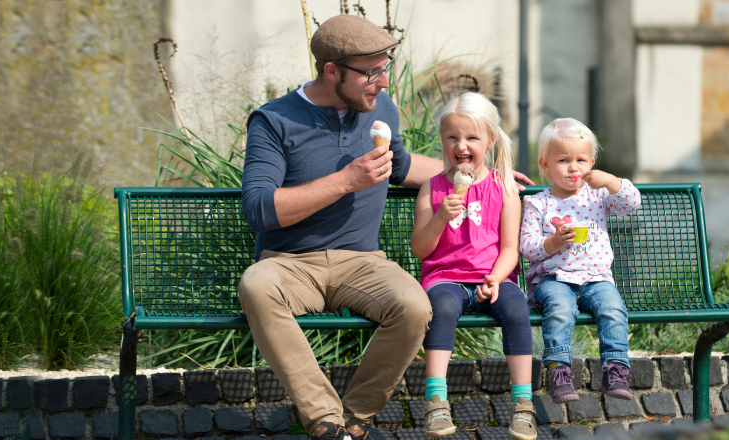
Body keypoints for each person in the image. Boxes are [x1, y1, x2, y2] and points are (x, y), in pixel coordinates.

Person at [238, 15, 534, 440]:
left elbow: (404, 166)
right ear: (332, 71)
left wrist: (491, 172)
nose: (382, 81)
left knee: (415, 308)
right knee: (256, 285)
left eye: (385, 67)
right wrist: (346, 181)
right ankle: (325, 422)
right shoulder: (273, 120)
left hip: (362, 262)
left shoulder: (380, 109)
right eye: (371, 72)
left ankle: (355, 421)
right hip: (289, 263)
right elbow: (259, 209)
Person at [410, 92, 536, 440]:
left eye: (471, 138)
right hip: (445, 277)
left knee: (515, 308)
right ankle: (435, 400)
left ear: (490, 140)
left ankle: (523, 404)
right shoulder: (431, 189)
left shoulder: (504, 187)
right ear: (442, 140)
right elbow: (421, 249)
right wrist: (440, 217)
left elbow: (511, 249)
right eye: (453, 137)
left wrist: (496, 279)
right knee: (444, 307)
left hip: (493, 276)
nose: (461, 145)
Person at [519, 118, 641, 403]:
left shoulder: (599, 195)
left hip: (596, 277)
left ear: (591, 163)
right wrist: (553, 242)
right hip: (554, 278)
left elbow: (632, 203)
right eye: (563, 160)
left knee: (613, 308)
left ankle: (615, 371)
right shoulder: (538, 203)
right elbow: (527, 247)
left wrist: (611, 181)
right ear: (546, 165)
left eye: (581, 160)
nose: (573, 167)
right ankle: (559, 371)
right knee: (561, 309)